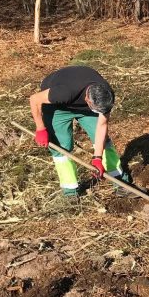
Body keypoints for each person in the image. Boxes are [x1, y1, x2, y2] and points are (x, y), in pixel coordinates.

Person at [28, 65, 130, 198]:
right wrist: (40, 128)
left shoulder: (106, 96)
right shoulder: (64, 92)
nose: (100, 113)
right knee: (61, 147)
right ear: (87, 100)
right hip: (57, 106)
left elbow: (102, 126)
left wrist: (97, 158)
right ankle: (70, 191)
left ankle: (120, 181)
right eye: (97, 110)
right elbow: (34, 99)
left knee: (103, 141)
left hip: (84, 105)